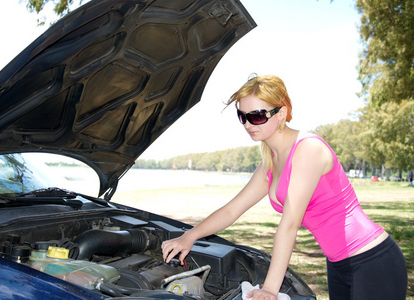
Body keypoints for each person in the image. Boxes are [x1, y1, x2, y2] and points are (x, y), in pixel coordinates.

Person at [161, 75, 407, 300]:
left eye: (256, 115)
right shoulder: (270, 162)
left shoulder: (308, 149)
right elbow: (232, 210)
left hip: (372, 260)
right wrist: (189, 236)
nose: (248, 124)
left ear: (281, 113)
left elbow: (290, 224)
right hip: (337, 263)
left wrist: (269, 290)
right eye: (242, 116)